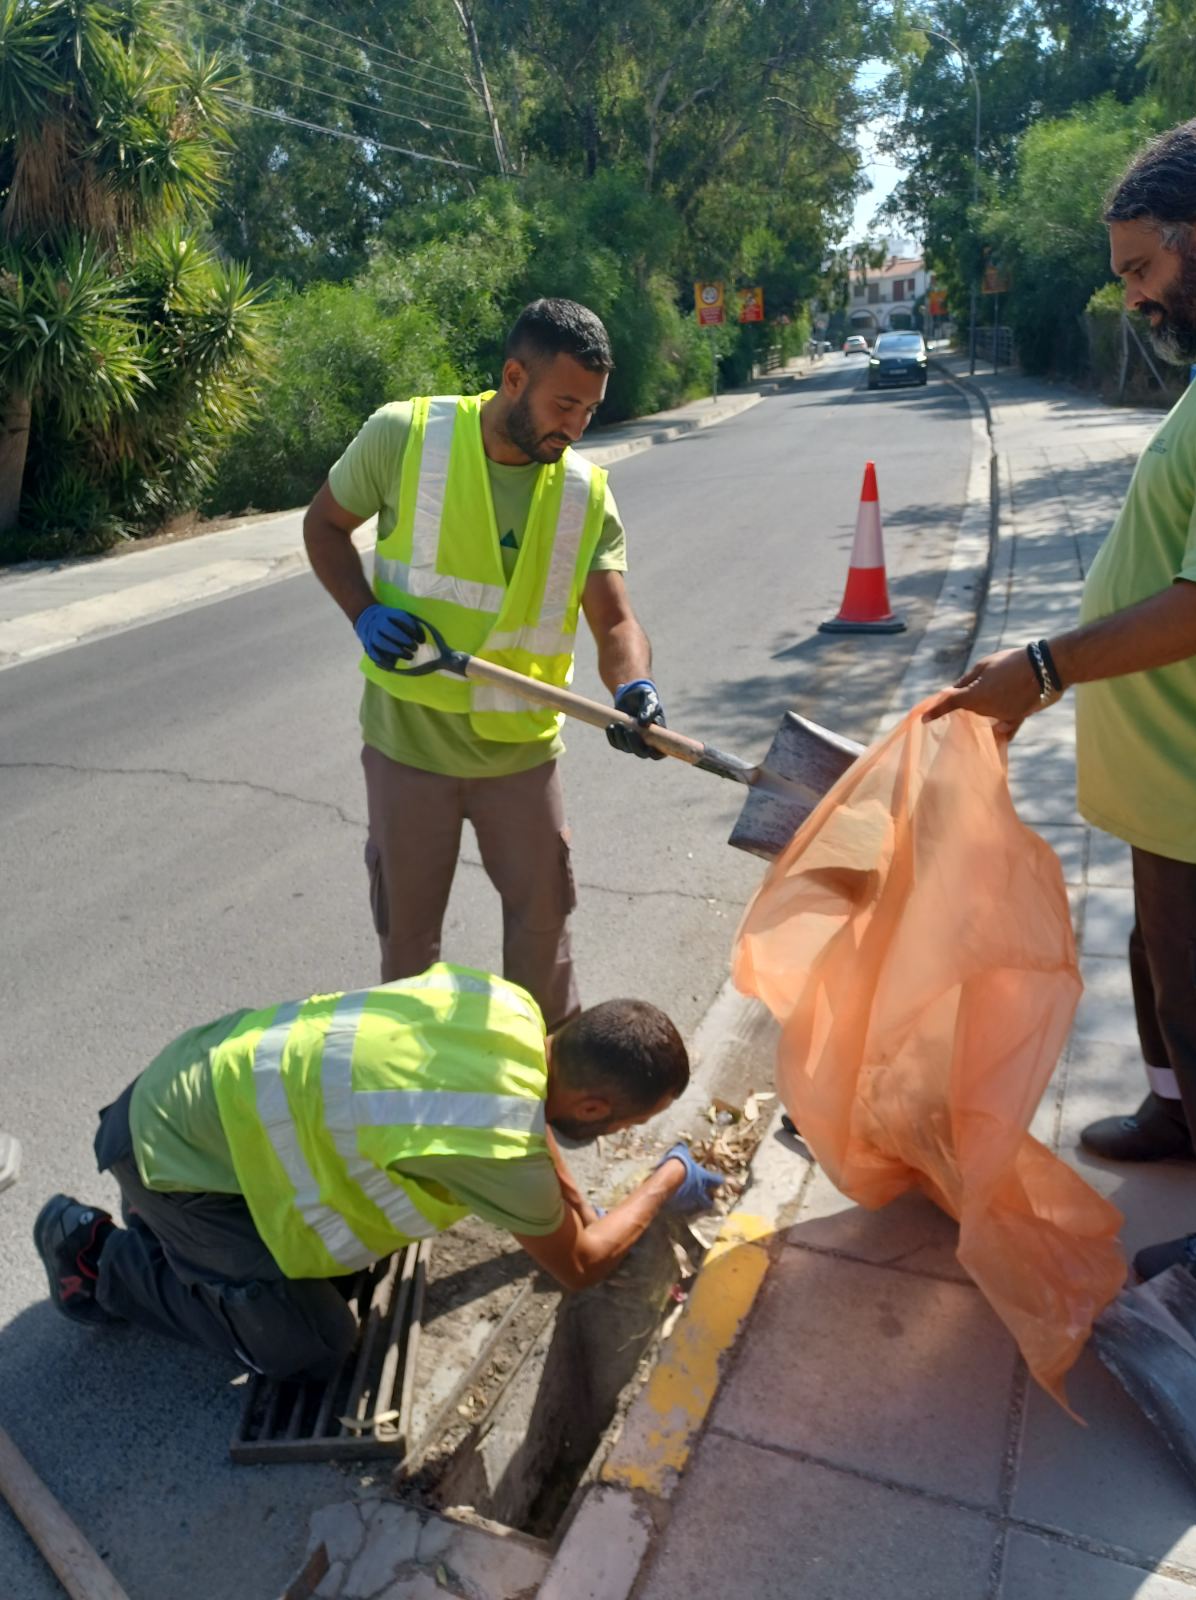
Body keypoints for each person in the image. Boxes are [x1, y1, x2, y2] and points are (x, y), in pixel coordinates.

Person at [926, 118, 1196, 1281]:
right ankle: (1175, 1115)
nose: (1137, 301)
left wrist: (1040, 671)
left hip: (1194, 791)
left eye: (1145, 269)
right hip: (1160, 788)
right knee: (1158, 961)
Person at [33, 964, 721, 1379]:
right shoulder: (495, 1142)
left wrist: (571, 1202)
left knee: (344, 1270)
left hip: (184, 1086)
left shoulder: (507, 1009)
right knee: (311, 1347)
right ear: (595, 1104)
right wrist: (666, 1177)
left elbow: (529, 1123)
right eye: (624, 1125)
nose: (617, 1135)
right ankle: (101, 1259)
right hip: (168, 1158)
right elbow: (578, 1267)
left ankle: (178, 1243)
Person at [303, 298, 666, 1034]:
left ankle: (541, 1092)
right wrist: (363, 612)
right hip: (409, 747)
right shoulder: (404, 437)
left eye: (589, 411)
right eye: (564, 403)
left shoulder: (583, 493)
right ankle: (411, 1098)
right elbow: (325, 526)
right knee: (408, 946)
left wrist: (635, 687)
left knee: (543, 937)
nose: (575, 426)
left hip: (520, 757)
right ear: (512, 377)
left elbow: (616, 620)